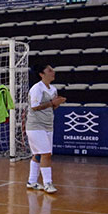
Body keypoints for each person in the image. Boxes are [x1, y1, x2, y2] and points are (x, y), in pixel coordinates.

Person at [26, 64, 64, 194]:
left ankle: (31, 181)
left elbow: (52, 107)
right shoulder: (37, 88)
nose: (53, 72)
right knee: (46, 154)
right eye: (49, 70)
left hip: (48, 125)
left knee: (38, 154)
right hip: (36, 126)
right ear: (42, 74)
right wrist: (52, 103)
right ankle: (48, 183)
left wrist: (56, 104)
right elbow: (35, 106)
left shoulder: (53, 89)